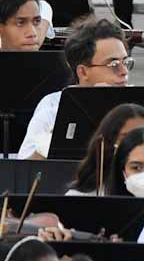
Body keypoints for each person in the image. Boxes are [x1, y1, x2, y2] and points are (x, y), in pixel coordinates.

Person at [16, 18, 130, 159]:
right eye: (113, 64)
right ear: (82, 72)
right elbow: (25, 168)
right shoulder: (53, 106)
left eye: (125, 62)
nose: (124, 71)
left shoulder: (135, 107)